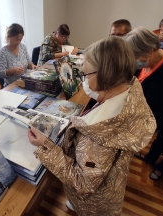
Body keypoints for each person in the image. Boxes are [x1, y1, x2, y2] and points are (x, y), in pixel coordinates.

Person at [28, 37, 156, 215]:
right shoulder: (130, 90)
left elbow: (83, 182)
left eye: (85, 74)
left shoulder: (99, 136)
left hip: (94, 204)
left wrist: (45, 146)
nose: (83, 80)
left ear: (104, 75)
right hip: (108, 188)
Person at [124, 27, 163, 180]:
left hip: (145, 120)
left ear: (150, 50)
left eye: (136, 56)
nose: (134, 60)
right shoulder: (146, 62)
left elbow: (156, 110)